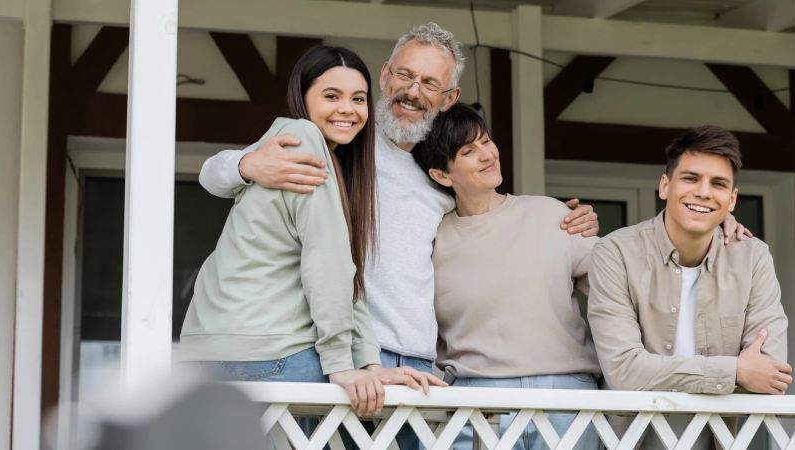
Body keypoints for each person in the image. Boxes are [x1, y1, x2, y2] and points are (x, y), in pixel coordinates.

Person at [196, 23, 599, 450]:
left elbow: (493, 221)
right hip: (350, 355)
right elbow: (211, 175)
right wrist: (247, 165)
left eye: (429, 83)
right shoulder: (346, 142)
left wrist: (567, 222)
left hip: (422, 367)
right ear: (385, 75)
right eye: (405, 75)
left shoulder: (442, 175)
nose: (412, 91)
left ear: (449, 98)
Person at [179, 46, 439, 418]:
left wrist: (369, 362)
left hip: (204, 353)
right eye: (331, 96)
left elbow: (345, 272)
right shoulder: (302, 140)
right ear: (302, 98)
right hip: (272, 353)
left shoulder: (288, 142)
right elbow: (327, 263)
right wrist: (342, 364)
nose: (347, 109)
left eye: (358, 99)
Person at [412, 103, 602, 450]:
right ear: (442, 175)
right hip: (475, 399)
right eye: (469, 151)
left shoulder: (551, 214)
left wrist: (707, 228)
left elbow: (624, 285)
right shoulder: (433, 240)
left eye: (486, 141)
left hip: (565, 396)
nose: (487, 155)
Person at [588, 126, 791, 448]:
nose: (704, 192)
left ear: (732, 199)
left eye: (718, 184)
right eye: (690, 178)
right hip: (632, 439)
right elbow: (625, 372)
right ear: (665, 185)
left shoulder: (752, 258)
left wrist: (660, 374)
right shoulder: (617, 253)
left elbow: (770, 372)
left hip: (724, 438)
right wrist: (736, 371)